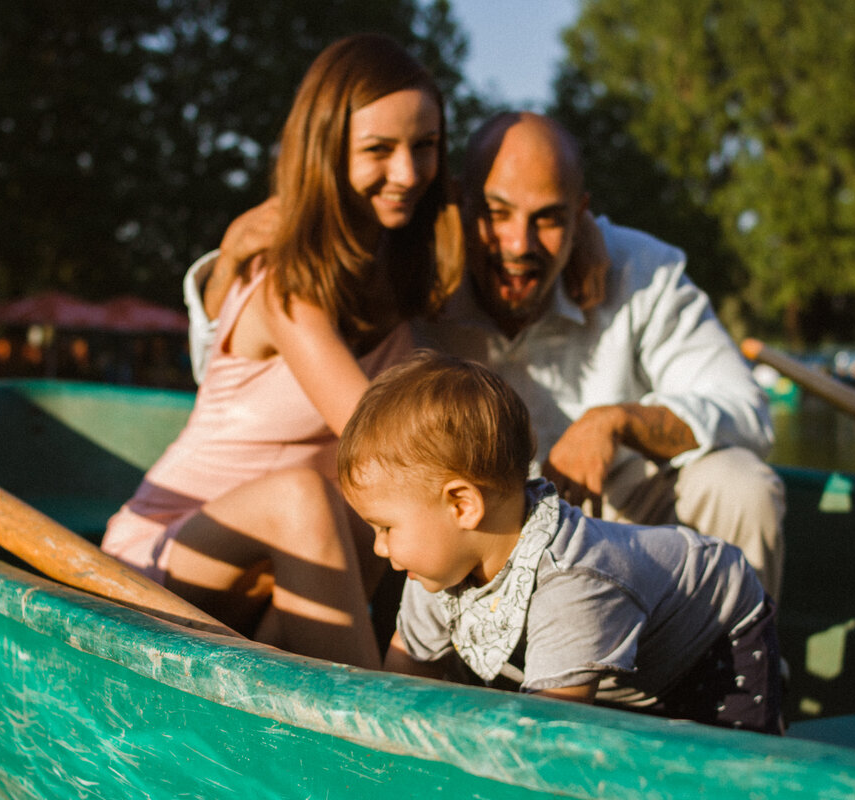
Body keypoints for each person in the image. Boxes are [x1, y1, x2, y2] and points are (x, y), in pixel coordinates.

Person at [195, 111, 785, 602]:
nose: (519, 245)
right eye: (497, 214)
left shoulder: (642, 272)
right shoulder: (412, 275)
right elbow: (249, 374)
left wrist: (617, 422)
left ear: (581, 217)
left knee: (741, 484)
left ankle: (729, 689)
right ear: (459, 202)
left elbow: (746, 409)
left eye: (548, 219)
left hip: (624, 535)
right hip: (465, 551)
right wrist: (226, 268)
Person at [100, 33, 463, 669]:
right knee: (316, 491)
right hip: (165, 554)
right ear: (327, 151)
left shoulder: (402, 269)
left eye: (424, 146)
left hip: (275, 577)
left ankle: (343, 696)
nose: (407, 173)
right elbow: (378, 436)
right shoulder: (286, 280)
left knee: (364, 510)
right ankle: (373, 731)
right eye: (379, 149)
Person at [337, 351, 783, 734]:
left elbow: (546, 740)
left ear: (461, 505)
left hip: (714, 642)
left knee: (723, 769)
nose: (380, 547)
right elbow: (400, 685)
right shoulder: (436, 566)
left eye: (386, 528)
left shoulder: (574, 584)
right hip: (624, 668)